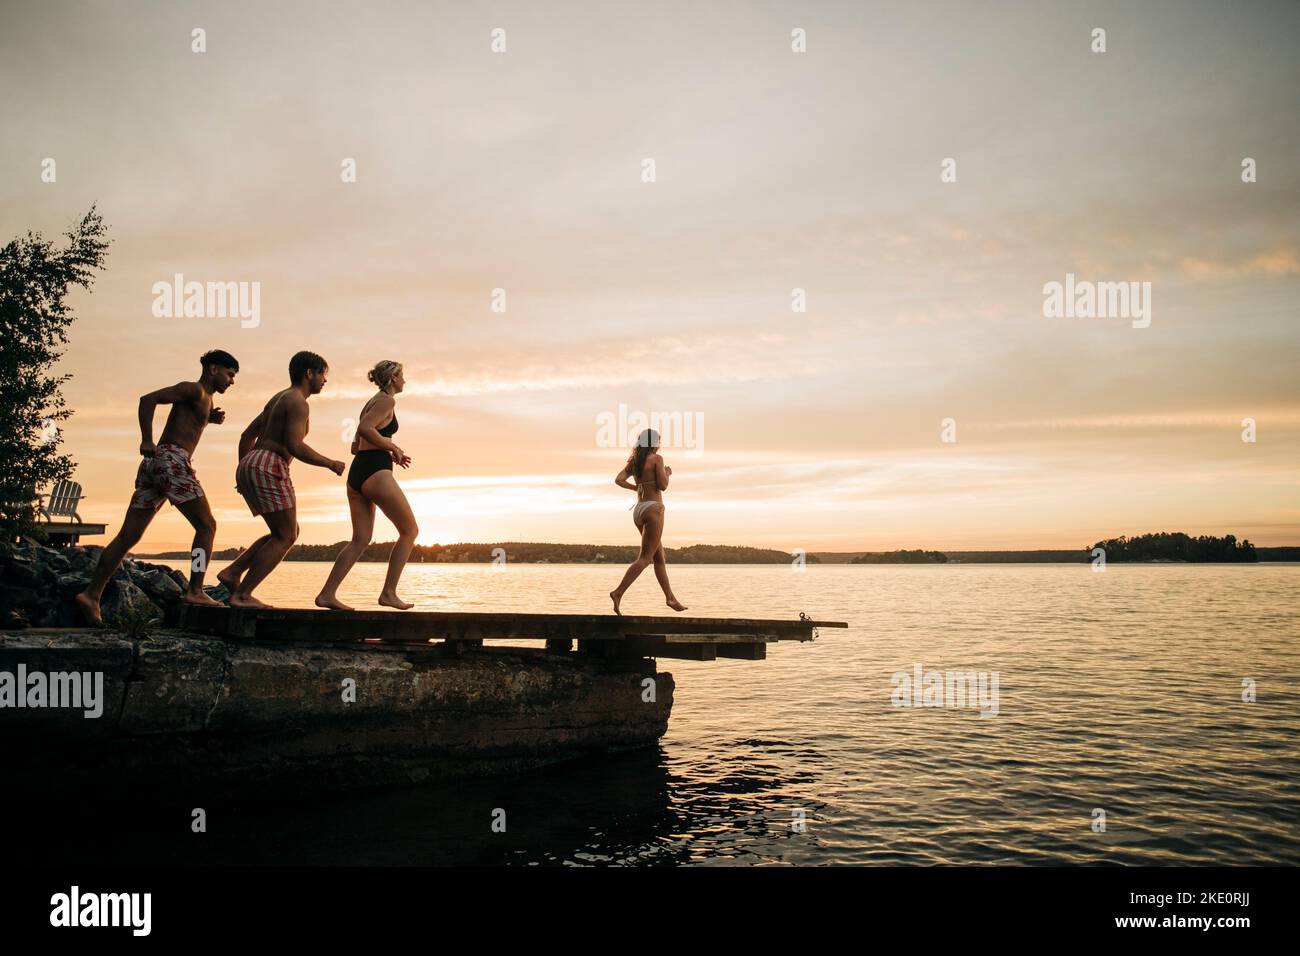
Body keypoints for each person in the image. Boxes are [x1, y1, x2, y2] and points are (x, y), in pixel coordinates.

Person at [75, 350, 239, 625]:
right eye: (229, 374)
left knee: (128, 536)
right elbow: (148, 400)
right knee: (207, 526)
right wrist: (146, 439)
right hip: (171, 461)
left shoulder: (204, 400)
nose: (231, 381)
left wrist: (208, 418)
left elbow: (186, 422)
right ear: (213, 369)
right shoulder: (194, 389)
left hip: (156, 466)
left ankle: (91, 594)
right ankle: (196, 590)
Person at [216, 351, 345, 609]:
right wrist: (329, 463)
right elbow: (295, 446)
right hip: (269, 464)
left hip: (252, 462)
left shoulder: (278, 398)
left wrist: (244, 469)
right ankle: (242, 594)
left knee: (285, 531)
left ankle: (233, 571)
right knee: (286, 536)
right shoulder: (298, 402)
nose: (325, 381)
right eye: (323, 375)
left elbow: (246, 436)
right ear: (309, 373)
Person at [315, 360, 418, 611]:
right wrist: (392, 446)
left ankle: (327, 594)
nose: (405, 380)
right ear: (393, 378)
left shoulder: (371, 402)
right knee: (409, 531)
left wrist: (386, 448)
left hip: (358, 472)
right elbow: (364, 428)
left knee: (360, 539)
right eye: (402, 375)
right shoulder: (387, 401)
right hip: (376, 471)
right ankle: (388, 593)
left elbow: (355, 445)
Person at [609, 428, 686, 615]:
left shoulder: (635, 462)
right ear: (654, 443)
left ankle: (670, 597)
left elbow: (619, 479)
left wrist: (635, 487)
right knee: (645, 558)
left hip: (639, 510)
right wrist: (667, 473)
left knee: (659, 558)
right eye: (658, 441)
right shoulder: (657, 459)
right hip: (654, 509)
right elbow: (663, 486)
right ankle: (618, 592)